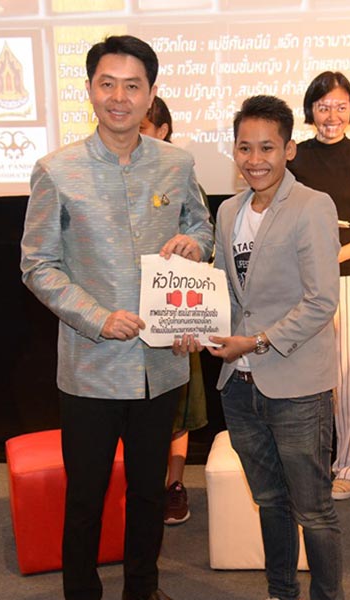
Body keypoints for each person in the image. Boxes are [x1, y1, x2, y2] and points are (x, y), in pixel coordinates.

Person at [20, 35, 213, 600]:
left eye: (133, 85)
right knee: (86, 494)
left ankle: (142, 587)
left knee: (151, 490)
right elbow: (37, 265)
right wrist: (97, 318)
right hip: (91, 368)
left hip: (162, 363)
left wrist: (195, 244)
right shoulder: (56, 170)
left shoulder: (176, 163)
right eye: (108, 84)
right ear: (90, 90)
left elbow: (201, 225)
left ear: (151, 93)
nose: (120, 97)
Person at [175, 95, 345, 600]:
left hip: (296, 383)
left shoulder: (314, 206)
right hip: (240, 384)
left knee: (313, 510)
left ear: (289, 149)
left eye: (267, 147)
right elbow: (227, 293)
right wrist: (194, 324)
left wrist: (257, 342)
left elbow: (321, 301)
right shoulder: (228, 212)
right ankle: (283, 599)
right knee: (269, 498)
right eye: (245, 147)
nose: (255, 159)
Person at [287, 71, 350, 501]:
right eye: (324, 106)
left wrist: (335, 255)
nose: (332, 115)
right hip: (300, 285)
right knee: (304, 378)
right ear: (310, 110)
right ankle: (307, 464)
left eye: (341, 107)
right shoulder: (294, 158)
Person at [140, 96, 211, 526]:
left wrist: (192, 245)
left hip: (173, 310)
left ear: (163, 130)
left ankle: (175, 485)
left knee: (177, 410)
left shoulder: (181, 172)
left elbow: (204, 233)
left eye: (144, 127)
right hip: (127, 316)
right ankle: (142, 490)